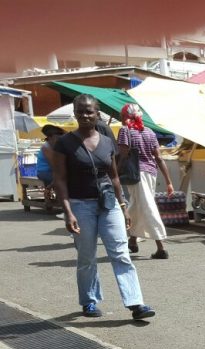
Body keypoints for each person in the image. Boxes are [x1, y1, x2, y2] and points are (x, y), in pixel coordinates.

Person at [51, 94, 156, 321]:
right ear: (75, 114)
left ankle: (136, 303)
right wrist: (68, 212)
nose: (84, 115)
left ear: (97, 113)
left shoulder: (108, 142)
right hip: (80, 205)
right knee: (87, 256)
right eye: (80, 111)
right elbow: (59, 179)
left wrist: (123, 206)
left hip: (109, 204)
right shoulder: (65, 143)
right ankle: (89, 301)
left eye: (89, 111)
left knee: (121, 253)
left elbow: (114, 177)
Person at [117, 103, 174, 259]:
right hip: (151, 173)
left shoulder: (125, 131)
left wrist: (115, 172)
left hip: (136, 174)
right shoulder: (149, 132)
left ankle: (161, 246)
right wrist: (168, 181)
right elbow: (159, 158)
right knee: (137, 205)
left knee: (147, 206)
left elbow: (122, 155)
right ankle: (133, 240)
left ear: (125, 117)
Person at [36, 124, 65, 192]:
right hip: (45, 172)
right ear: (50, 137)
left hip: (52, 171)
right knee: (64, 179)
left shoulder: (55, 146)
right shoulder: (46, 147)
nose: (59, 140)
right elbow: (54, 165)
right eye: (57, 138)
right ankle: (52, 194)